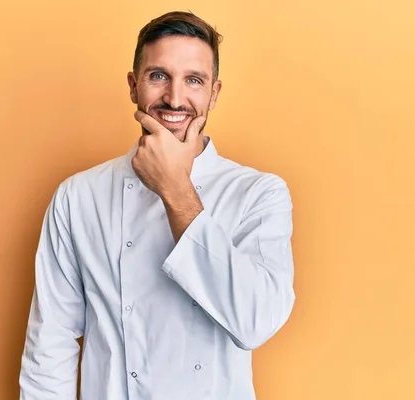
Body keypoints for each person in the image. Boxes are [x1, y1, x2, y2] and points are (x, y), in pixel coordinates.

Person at [19, 10, 295, 400]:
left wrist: (174, 188)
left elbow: (254, 323)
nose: (174, 98)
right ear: (134, 86)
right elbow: (51, 343)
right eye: (158, 76)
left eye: (193, 80)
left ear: (214, 93)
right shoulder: (78, 196)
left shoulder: (258, 193)